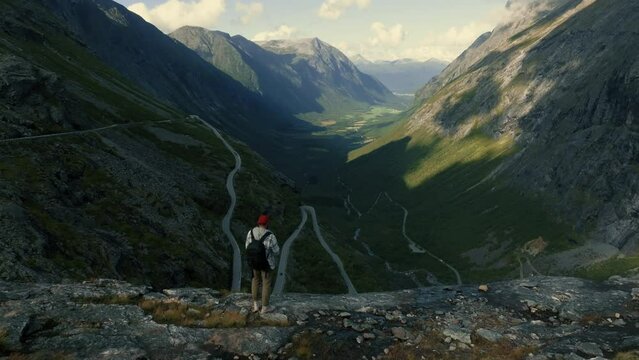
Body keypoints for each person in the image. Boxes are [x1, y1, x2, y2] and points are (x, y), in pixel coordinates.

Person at [245, 214, 280, 314]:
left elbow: (247, 247)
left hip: (254, 263)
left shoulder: (250, 232)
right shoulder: (270, 236)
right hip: (266, 264)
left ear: (258, 223)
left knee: (255, 280)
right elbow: (276, 251)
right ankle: (265, 307)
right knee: (266, 283)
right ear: (267, 223)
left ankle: (255, 304)